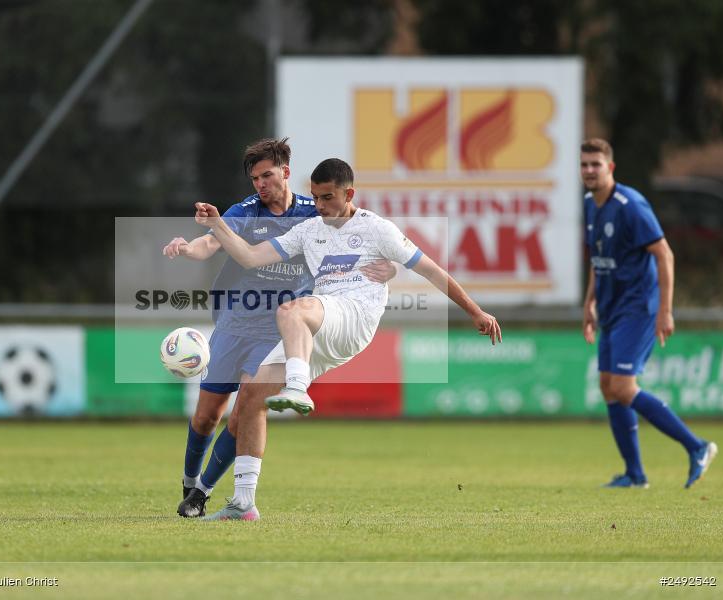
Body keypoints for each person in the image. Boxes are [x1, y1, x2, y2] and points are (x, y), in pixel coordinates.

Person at [194, 158, 501, 520]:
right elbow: (248, 257)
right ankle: (243, 504)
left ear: (349, 194)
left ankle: (297, 387)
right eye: (316, 198)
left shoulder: (377, 229)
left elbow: (432, 270)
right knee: (249, 396)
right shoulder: (309, 230)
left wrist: (475, 311)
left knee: (290, 310)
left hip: (354, 316)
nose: (320, 206)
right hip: (319, 325)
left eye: (328, 198)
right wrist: (218, 225)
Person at [162, 139, 395, 518]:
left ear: (285, 172)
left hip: (279, 328)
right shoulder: (245, 211)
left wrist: (390, 268)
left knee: (245, 413)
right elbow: (209, 243)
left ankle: (201, 495)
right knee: (208, 415)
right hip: (236, 322)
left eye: (267, 175)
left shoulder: (313, 212)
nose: (260, 184)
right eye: (255, 178)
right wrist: (187, 248)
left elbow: (357, 242)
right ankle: (189, 482)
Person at [580, 138, 718, 489]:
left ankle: (697, 446)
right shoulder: (589, 204)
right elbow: (598, 259)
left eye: (596, 164)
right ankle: (635, 474)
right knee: (608, 387)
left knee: (624, 387)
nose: (589, 171)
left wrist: (665, 312)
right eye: (584, 165)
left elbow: (664, 255)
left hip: (638, 307)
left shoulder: (631, 206)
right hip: (611, 308)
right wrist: (589, 302)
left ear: (610, 168)